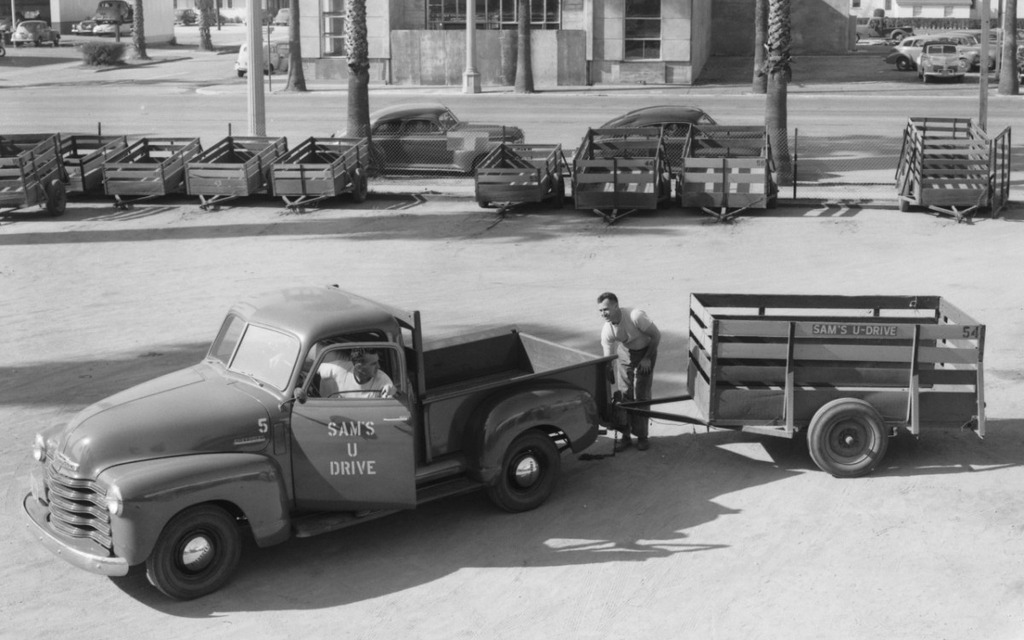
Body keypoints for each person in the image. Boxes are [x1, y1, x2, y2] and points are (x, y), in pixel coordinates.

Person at [598, 292, 661, 452]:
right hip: (625, 352)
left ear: (616, 306)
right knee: (624, 393)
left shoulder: (635, 316)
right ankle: (625, 435)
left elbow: (656, 335)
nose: (603, 314)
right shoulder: (607, 330)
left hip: (647, 351)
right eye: (600, 311)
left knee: (642, 394)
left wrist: (647, 358)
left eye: (606, 309)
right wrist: (608, 373)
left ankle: (642, 436)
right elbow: (607, 359)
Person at [319, 349, 396, 399]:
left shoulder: (383, 381)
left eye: (378, 362)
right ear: (359, 367)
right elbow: (315, 368)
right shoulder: (340, 369)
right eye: (373, 364)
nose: (378, 366)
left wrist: (391, 393)